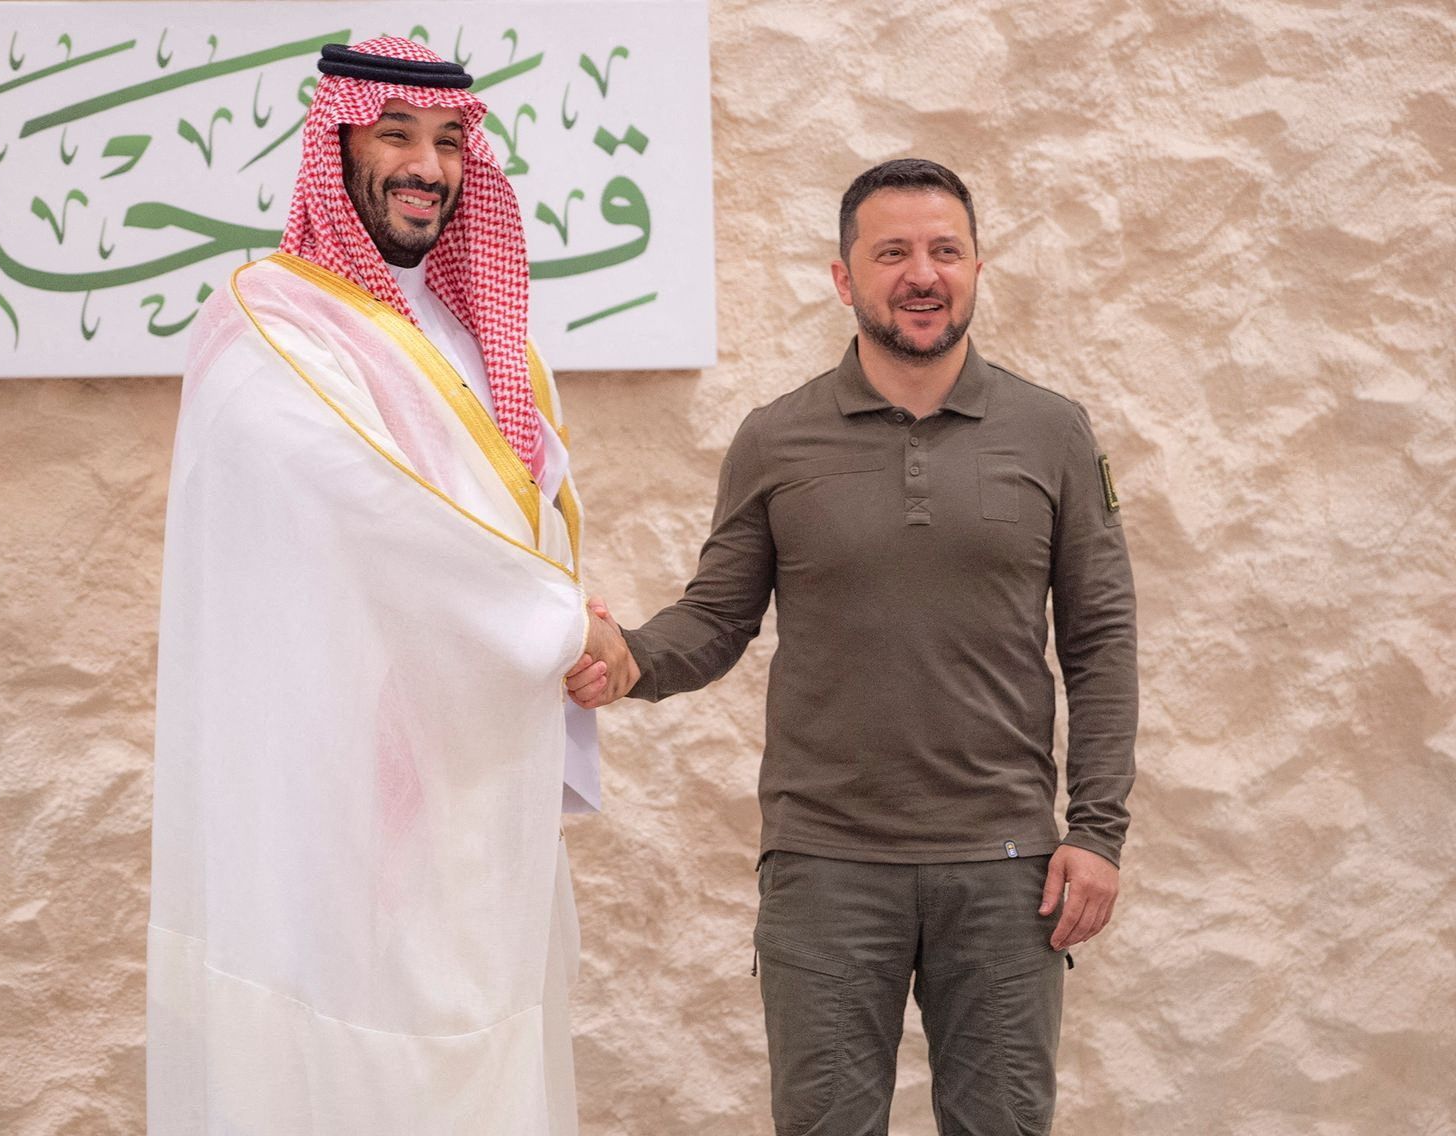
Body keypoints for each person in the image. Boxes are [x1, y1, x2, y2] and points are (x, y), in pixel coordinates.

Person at [568, 159, 1138, 1136]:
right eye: (892, 253)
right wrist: (627, 656)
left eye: (943, 250)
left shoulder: (1050, 433)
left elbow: (1099, 638)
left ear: (974, 267)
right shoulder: (775, 439)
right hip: (824, 868)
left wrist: (1095, 829)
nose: (921, 273)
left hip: (1005, 871)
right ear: (844, 278)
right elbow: (716, 617)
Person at [149, 36, 598, 1136]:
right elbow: (382, 517)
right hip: (330, 795)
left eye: (448, 142)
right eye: (396, 133)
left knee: (479, 1041)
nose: (426, 166)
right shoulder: (269, 329)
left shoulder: (484, 338)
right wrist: (563, 626)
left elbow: (524, 520)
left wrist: (554, 623)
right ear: (336, 139)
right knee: (342, 1061)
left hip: (474, 782)